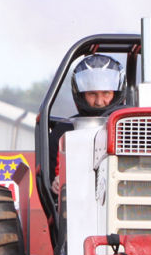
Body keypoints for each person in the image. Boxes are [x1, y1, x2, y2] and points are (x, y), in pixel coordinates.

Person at [50, 54, 126, 193]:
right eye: (92, 94)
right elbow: (50, 178)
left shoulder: (130, 128)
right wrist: (56, 181)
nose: (99, 101)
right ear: (81, 94)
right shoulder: (64, 131)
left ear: (116, 93)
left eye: (106, 93)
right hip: (76, 202)